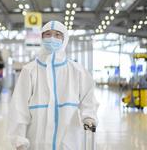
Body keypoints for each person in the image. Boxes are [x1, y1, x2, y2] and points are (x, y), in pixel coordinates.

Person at [8, 21, 98, 150]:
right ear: (41, 37)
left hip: (69, 134)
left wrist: (89, 116)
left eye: (57, 35)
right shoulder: (30, 70)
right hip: (37, 136)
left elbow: (88, 98)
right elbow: (19, 107)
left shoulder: (76, 70)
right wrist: (19, 139)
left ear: (65, 38)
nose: (52, 38)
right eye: (48, 34)